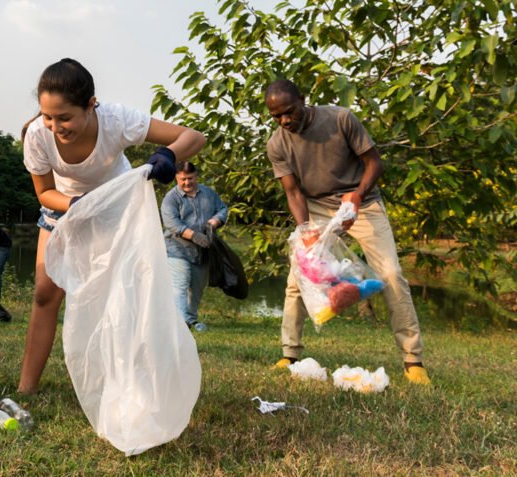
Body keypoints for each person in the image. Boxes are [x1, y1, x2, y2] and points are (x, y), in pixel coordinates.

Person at [17, 58, 207, 395]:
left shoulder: (116, 120)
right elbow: (45, 193)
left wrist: (167, 155)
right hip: (64, 208)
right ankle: (26, 390)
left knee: (118, 296)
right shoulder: (37, 136)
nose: (55, 126)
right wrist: (77, 204)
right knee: (46, 293)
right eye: (48, 116)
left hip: (114, 210)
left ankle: (127, 384)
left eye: (65, 117)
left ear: (91, 105)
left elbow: (194, 136)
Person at [264, 78, 430, 384]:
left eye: (289, 111)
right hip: (315, 208)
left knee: (391, 273)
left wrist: (357, 196)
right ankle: (290, 354)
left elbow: (374, 163)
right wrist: (305, 231)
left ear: (303, 98)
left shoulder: (340, 118)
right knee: (296, 280)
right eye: (277, 116)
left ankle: (412, 360)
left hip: (362, 203)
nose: (285, 120)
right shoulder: (277, 144)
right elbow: (293, 192)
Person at [160, 161, 228, 332]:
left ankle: (190, 319)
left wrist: (214, 221)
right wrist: (195, 236)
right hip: (176, 249)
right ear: (177, 178)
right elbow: (172, 223)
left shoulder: (209, 193)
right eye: (182, 179)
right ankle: (180, 324)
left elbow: (223, 209)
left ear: (196, 176)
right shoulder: (170, 198)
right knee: (180, 284)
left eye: (190, 178)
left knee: (197, 289)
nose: (186, 183)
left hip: (204, 251)